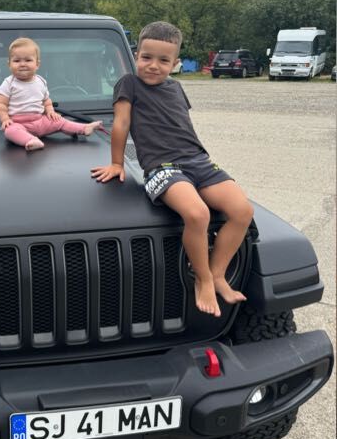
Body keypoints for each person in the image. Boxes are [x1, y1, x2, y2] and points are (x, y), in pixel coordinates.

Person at [91, 21, 253, 317]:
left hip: (198, 161)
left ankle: (218, 273)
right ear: (136, 55)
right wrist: (117, 163)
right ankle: (202, 278)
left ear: (175, 63)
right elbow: (122, 123)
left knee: (243, 211)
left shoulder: (176, 87)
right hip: (161, 166)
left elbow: (181, 125)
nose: (153, 65)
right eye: (146, 57)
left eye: (163, 60)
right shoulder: (129, 84)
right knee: (197, 214)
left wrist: (199, 159)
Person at [0, 37, 102, 151]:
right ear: (9, 64)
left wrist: (51, 112)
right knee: (10, 131)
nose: (22, 64)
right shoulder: (9, 83)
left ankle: (84, 128)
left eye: (28, 60)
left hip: (40, 121)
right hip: (19, 124)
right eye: (17, 61)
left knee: (59, 121)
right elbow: (1, 104)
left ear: (37, 64)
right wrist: (5, 119)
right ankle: (31, 141)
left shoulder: (41, 81)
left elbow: (46, 101)